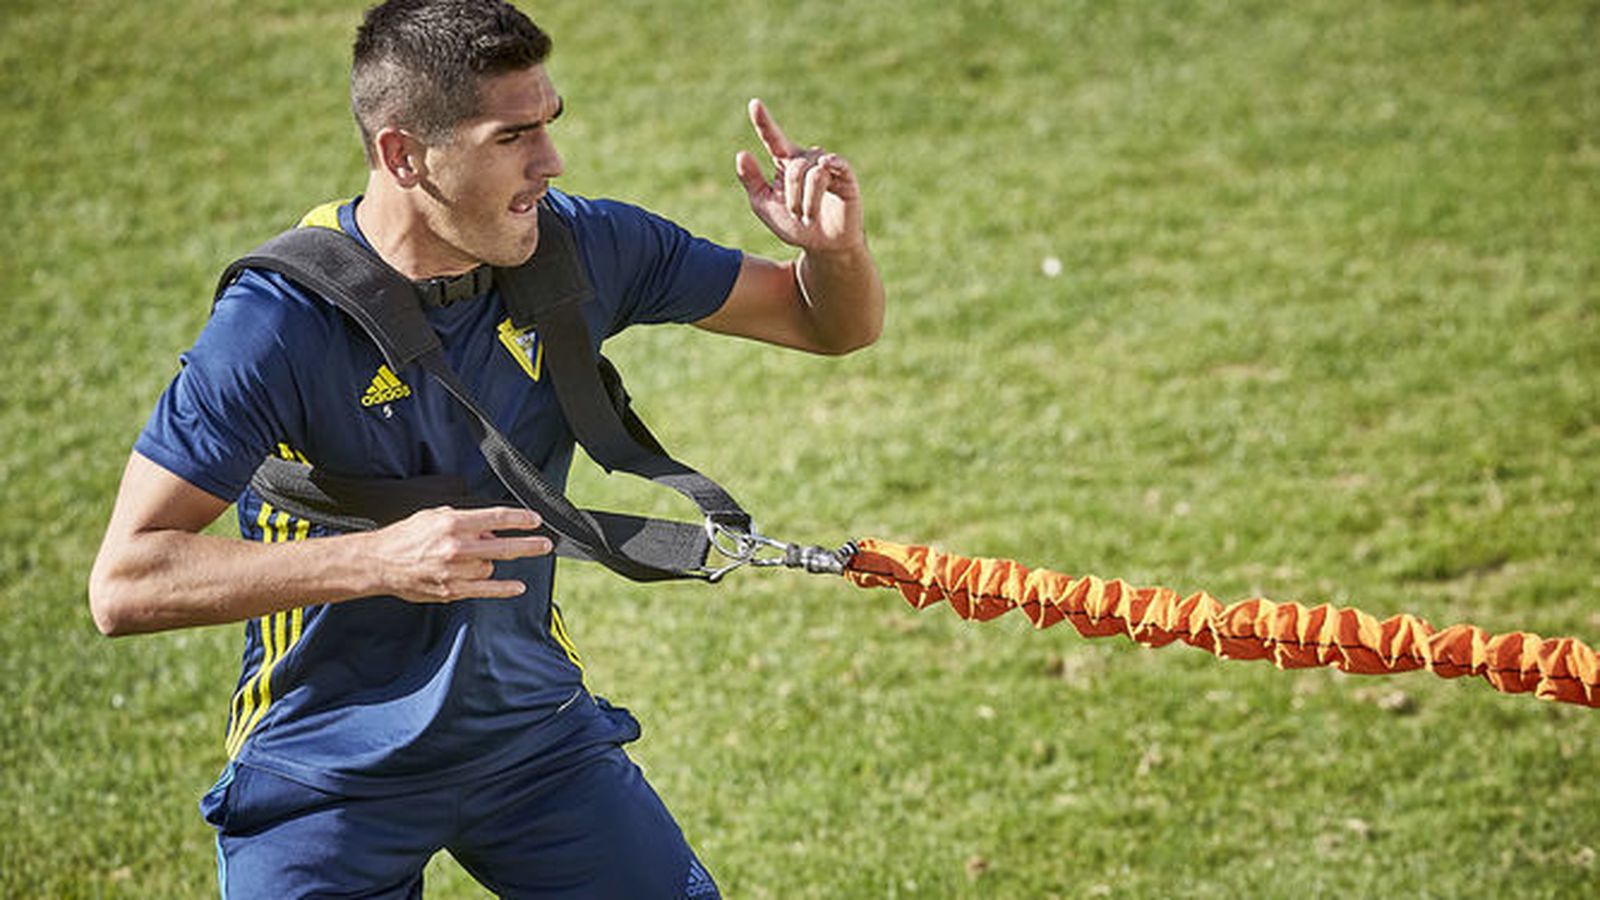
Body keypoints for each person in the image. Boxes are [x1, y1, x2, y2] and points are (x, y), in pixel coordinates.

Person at [88, 0, 883, 895]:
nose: (551, 162)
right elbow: (126, 583)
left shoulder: (581, 246)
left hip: (533, 739)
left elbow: (825, 326)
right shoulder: (276, 327)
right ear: (403, 155)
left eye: (549, 126)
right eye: (512, 137)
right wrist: (379, 560)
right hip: (326, 771)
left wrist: (835, 252)